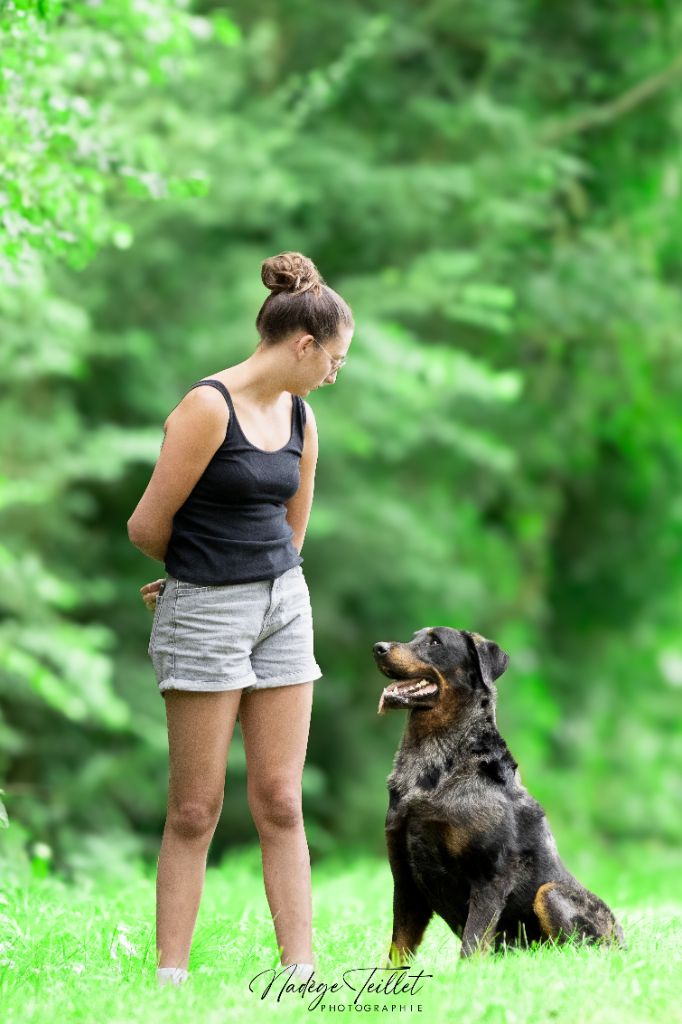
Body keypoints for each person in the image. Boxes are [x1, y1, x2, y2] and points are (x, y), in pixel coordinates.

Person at [126, 251, 354, 988]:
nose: (334, 373)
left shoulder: (302, 415)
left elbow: (294, 530)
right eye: (335, 358)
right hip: (205, 612)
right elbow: (147, 525)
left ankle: (301, 972)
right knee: (196, 808)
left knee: (281, 801)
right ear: (304, 345)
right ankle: (170, 980)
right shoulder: (205, 409)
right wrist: (194, 578)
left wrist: (262, 588)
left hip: (284, 607)